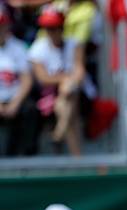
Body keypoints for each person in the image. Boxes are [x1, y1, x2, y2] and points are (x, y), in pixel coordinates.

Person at [29, 5, 93, 156]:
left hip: (78, 93)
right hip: (50, 98)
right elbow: (42, 78)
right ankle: (78, 158)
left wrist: (68, 84)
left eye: (55, 27)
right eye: (48, 28)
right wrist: (65, 81)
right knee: (68, 106)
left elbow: (79, 72)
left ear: (62, 27)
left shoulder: (74, 44)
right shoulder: (38, 48)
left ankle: (59, 133)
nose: (51, 32)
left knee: (68, 96)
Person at [0, 4, 38, 156]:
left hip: (15, 99)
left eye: (1, 25)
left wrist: (15, 103)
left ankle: (26, 160)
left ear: (7, 26)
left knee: (31, 110)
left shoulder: (18, 47)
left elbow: (26, 79)